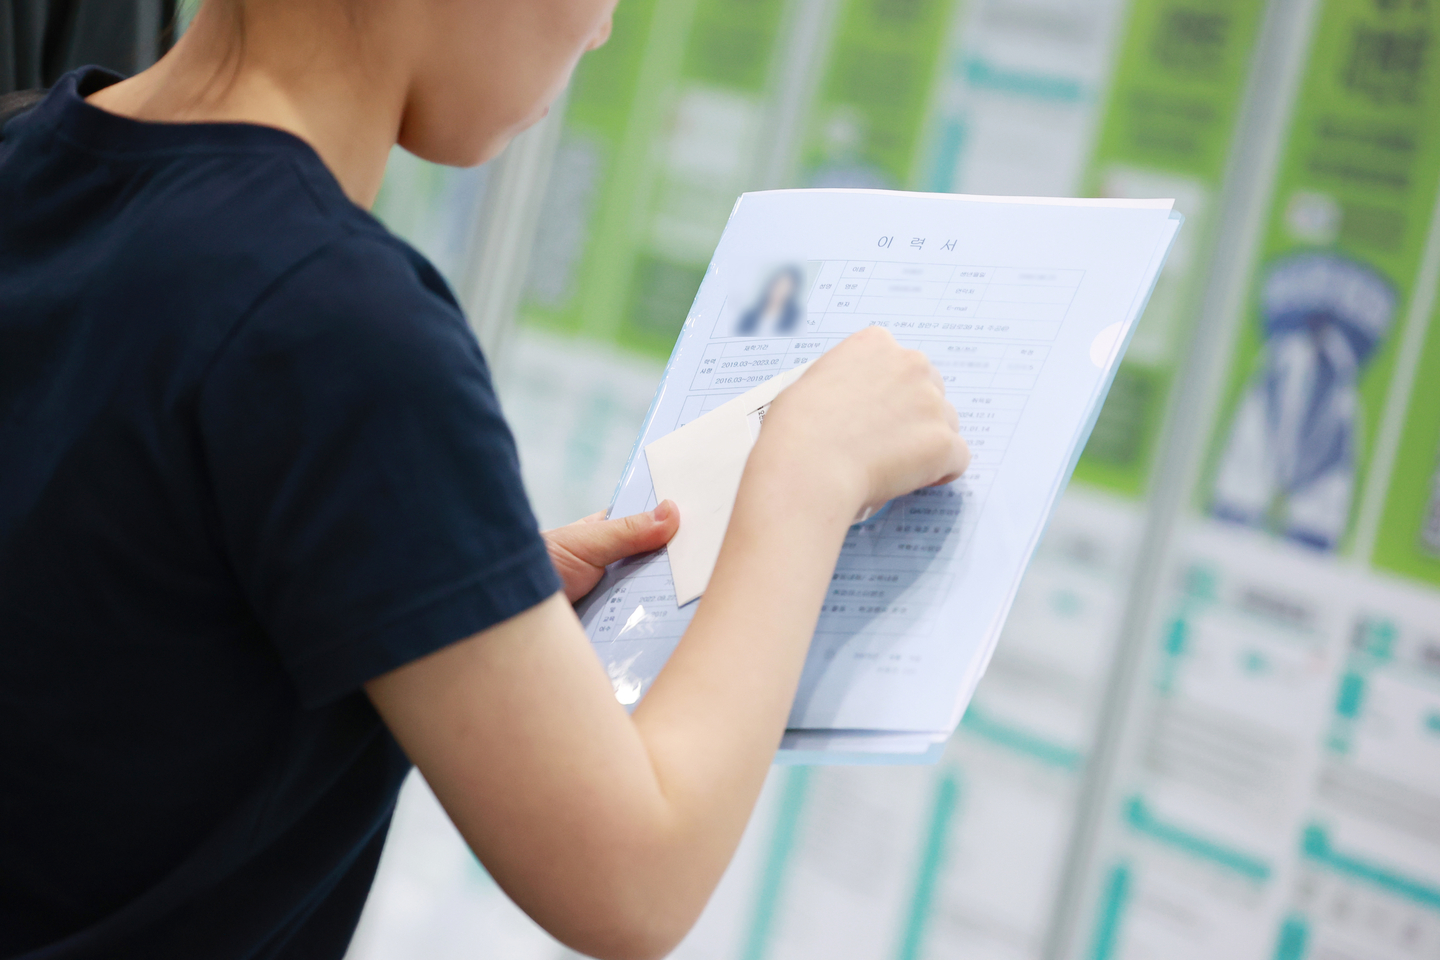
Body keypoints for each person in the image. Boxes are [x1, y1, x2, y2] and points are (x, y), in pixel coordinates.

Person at [0, 1, 969, 958]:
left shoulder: (27, 156)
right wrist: (806, 475)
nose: (601, 31)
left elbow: (102, 597)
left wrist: (423, 577)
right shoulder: (334, 322)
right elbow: (637, 884)